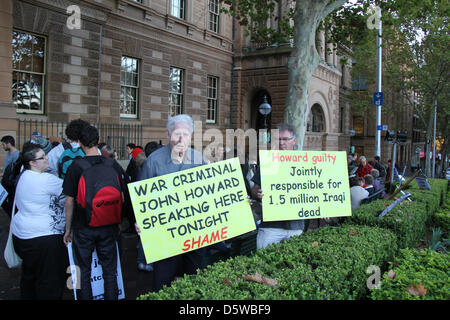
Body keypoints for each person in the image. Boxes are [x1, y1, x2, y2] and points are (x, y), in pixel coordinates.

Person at [137, 114, 207, 292]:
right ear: (168, 135)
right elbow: (141, 197)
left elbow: (211, 193)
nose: (181, 138)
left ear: (191, 136)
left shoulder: (200, 159)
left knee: (196, 283)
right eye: (177, 133)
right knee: (163, 283)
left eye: (186, 133)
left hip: (195, 232)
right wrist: (141, 220)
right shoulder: (153, 161)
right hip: (165, 235)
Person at [63, 125, 128, 300]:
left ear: (79, 143)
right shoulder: (112, 164)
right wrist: (118, 220)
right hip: (109, 226)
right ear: (98, 141)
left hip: (83, 226)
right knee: (110, 271)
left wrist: (68, 230)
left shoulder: (75, 167)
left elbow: (69, 201)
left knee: (83, 271)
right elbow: (122, 197)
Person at [11, 142, 68, 299]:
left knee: (30, 276)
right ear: (32, 162)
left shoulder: (24, 176)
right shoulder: (45, 180)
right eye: (42, 157)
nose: (47, 158)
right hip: (44, 238)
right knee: (49, 281)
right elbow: (71, 189)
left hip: (22, 235)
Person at [250, 123, 304, 250]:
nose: (281, 143)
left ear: (294, 141)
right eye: (278, 139)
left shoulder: (304, 162)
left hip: (295, 227)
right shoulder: (268, 162)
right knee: (263, 265)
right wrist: (257, 194)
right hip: (270, 227)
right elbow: (254, 190)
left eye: (285, 139)